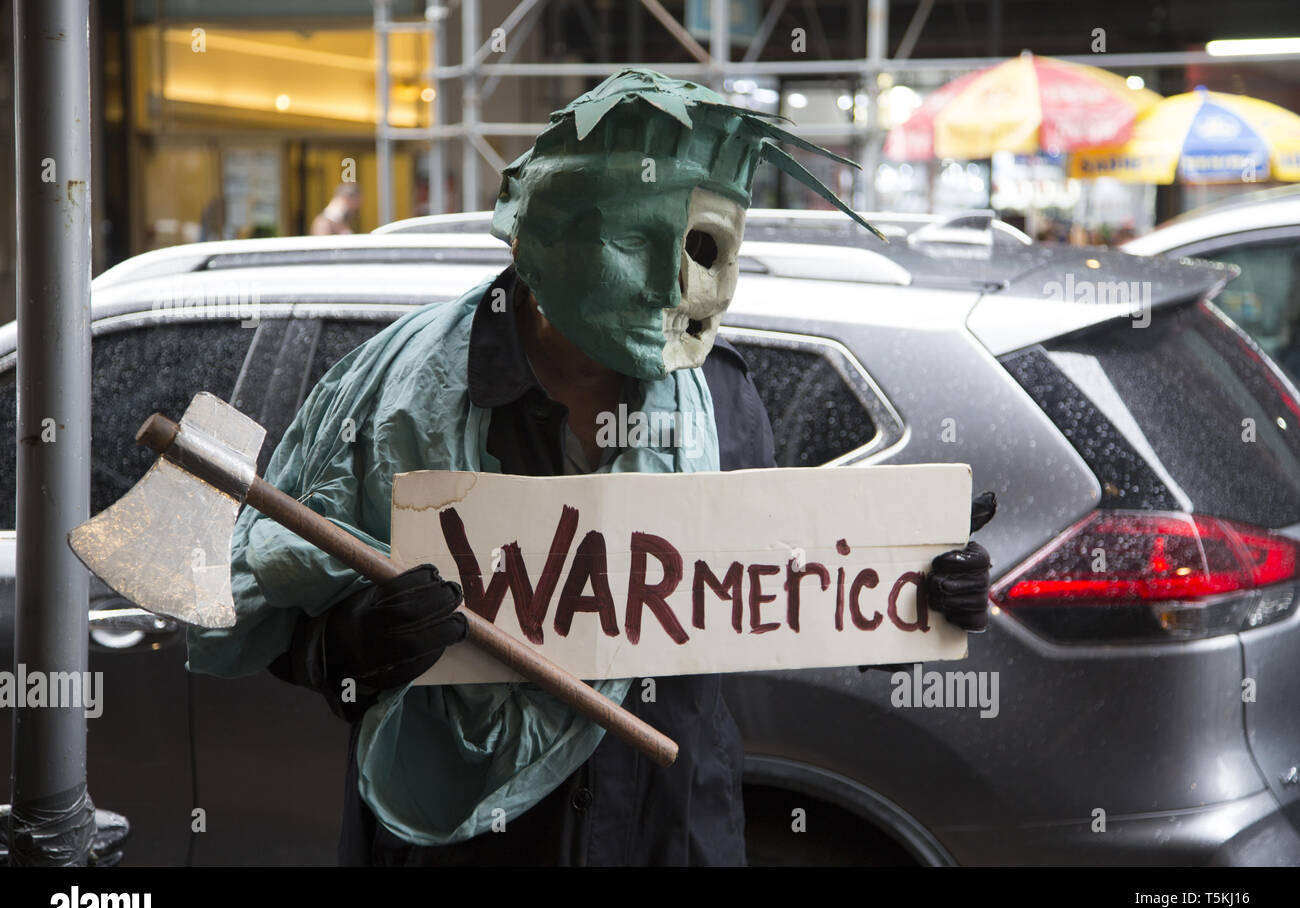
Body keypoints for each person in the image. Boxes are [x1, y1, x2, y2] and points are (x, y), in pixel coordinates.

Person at [188, 69, 993, 866]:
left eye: (704, 245)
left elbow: (760, 595)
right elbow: (275, 611)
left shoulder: (724, 399)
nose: (678, 280)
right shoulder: (395, 401)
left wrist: (909, 597)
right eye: (635, 241)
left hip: (669, 835)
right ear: (546, 240)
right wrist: (351, 648)